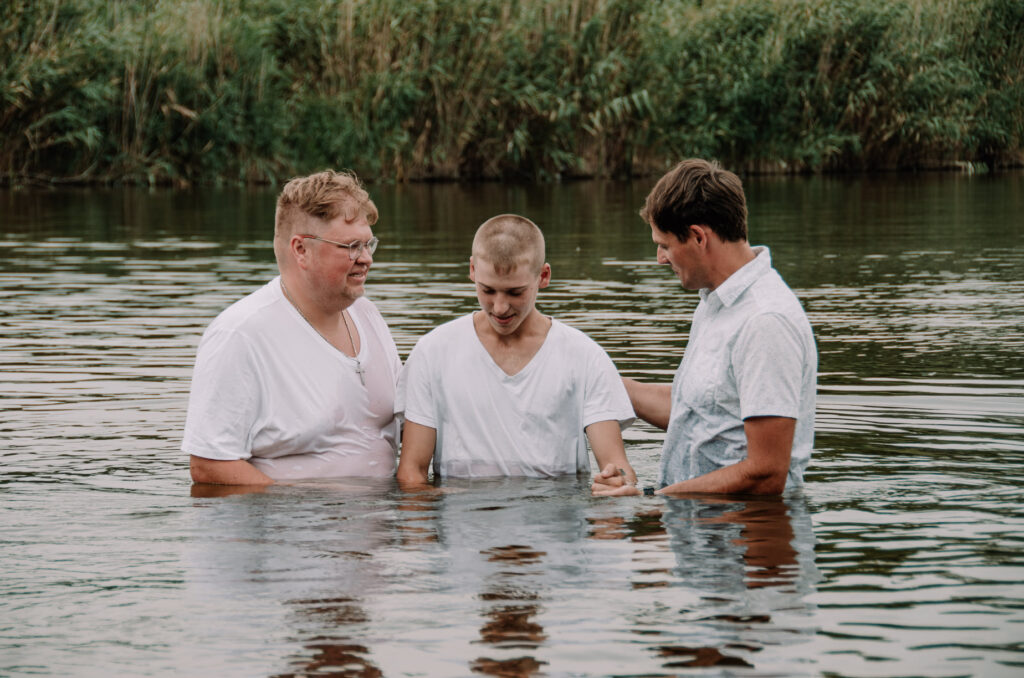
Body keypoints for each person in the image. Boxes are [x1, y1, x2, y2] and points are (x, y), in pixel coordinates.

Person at [593, 158, 816, 497]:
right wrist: (601, 384)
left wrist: (653, 502)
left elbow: (766, 473)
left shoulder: (764, 323)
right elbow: (700, 413)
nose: (660, 258)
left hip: (745, 538)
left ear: (698, 237)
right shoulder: (715, 302)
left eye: (665, 245)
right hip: (699, 533)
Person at [182, 170, 401, 485]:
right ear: (301, 250)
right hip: (293, 527)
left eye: (368, 245)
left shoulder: (369, 316)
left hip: (382, 520)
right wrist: (302, 514)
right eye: (352, 246)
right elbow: (209, 465)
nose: (366, 259)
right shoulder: (241, 334)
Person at [395, 214, 636, 486]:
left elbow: (617, 469)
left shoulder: (585, 356)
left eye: (515, 293)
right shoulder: (432, 351)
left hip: (554, 518)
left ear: (543, 276)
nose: (499, 307)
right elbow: (412, 474)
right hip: (465, 519)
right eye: (488, 290)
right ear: (472, 270)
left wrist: (617, 482)